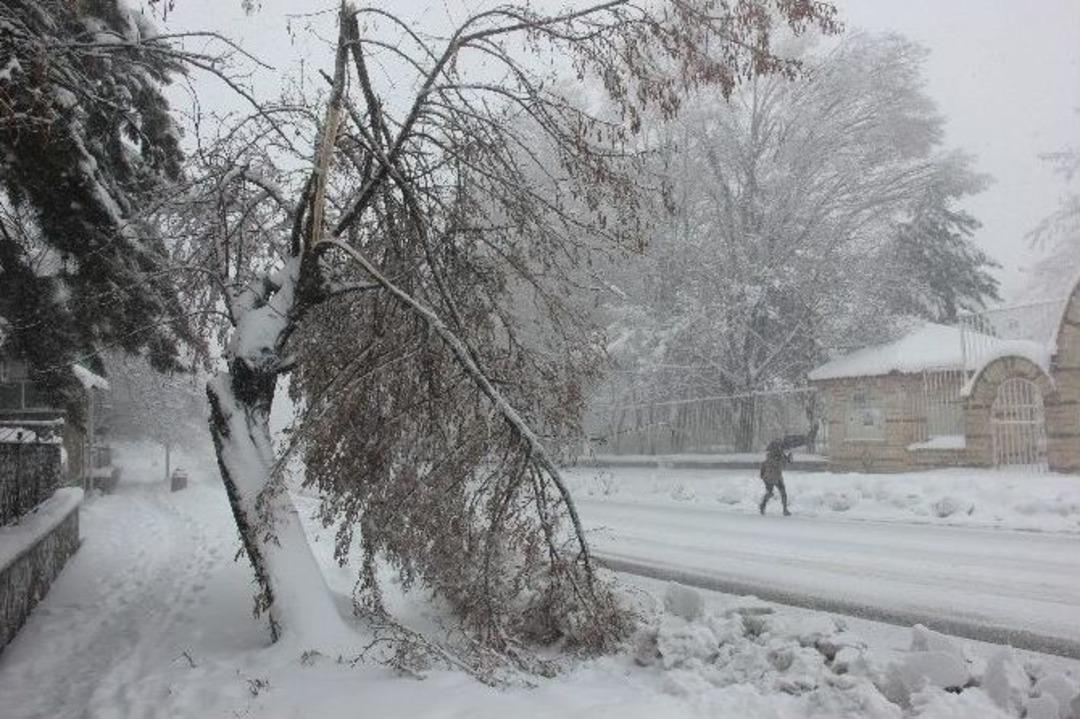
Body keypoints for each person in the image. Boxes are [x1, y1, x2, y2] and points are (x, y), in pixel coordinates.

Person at [759, 422, 817, 516]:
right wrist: (787, 459)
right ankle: (772, 507)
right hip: (771, 477)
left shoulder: (774, 455)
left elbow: (780, 463)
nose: (781, 448)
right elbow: (781, 464)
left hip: (773, 476)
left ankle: (777, 508)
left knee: (776, 492)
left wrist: (788, 458)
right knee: (778, 492)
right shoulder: (774, 457)